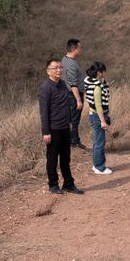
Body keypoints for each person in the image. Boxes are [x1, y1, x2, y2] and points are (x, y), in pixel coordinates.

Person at [37, 58, 84, 194]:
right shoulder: (45, 88)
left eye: (60, 67)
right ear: (48, 71)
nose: (58, 70)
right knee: (52, 158)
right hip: (53, 129)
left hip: (65, 128)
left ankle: (68, 184)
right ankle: (53, 185)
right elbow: (44, 112)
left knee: (65, 157)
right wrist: (45, 132)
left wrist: (69, 122)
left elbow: (66, 105)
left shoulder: (63, 84)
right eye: (55, 68)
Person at [85, 61, 113, 175]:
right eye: (103, 71)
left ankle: (96, 164)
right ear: (99, 73)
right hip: (97, 116)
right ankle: (99, 167)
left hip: (96, 116)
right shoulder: (97, 87)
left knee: (97, 142)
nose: (104, 73)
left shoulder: (94, 83)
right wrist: (103, 121)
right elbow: (98, 106)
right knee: (100, 143)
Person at [61, 39, 86, 149]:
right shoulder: (70, 64)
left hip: (70, 94)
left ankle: (75, 140)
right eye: (79, 48)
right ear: (74, 49)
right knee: (74, 120)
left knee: (72, 120)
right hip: (73, 95)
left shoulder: (66, 59)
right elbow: (72, 83)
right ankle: (73, 143)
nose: (81, 50)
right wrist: (78, 100)